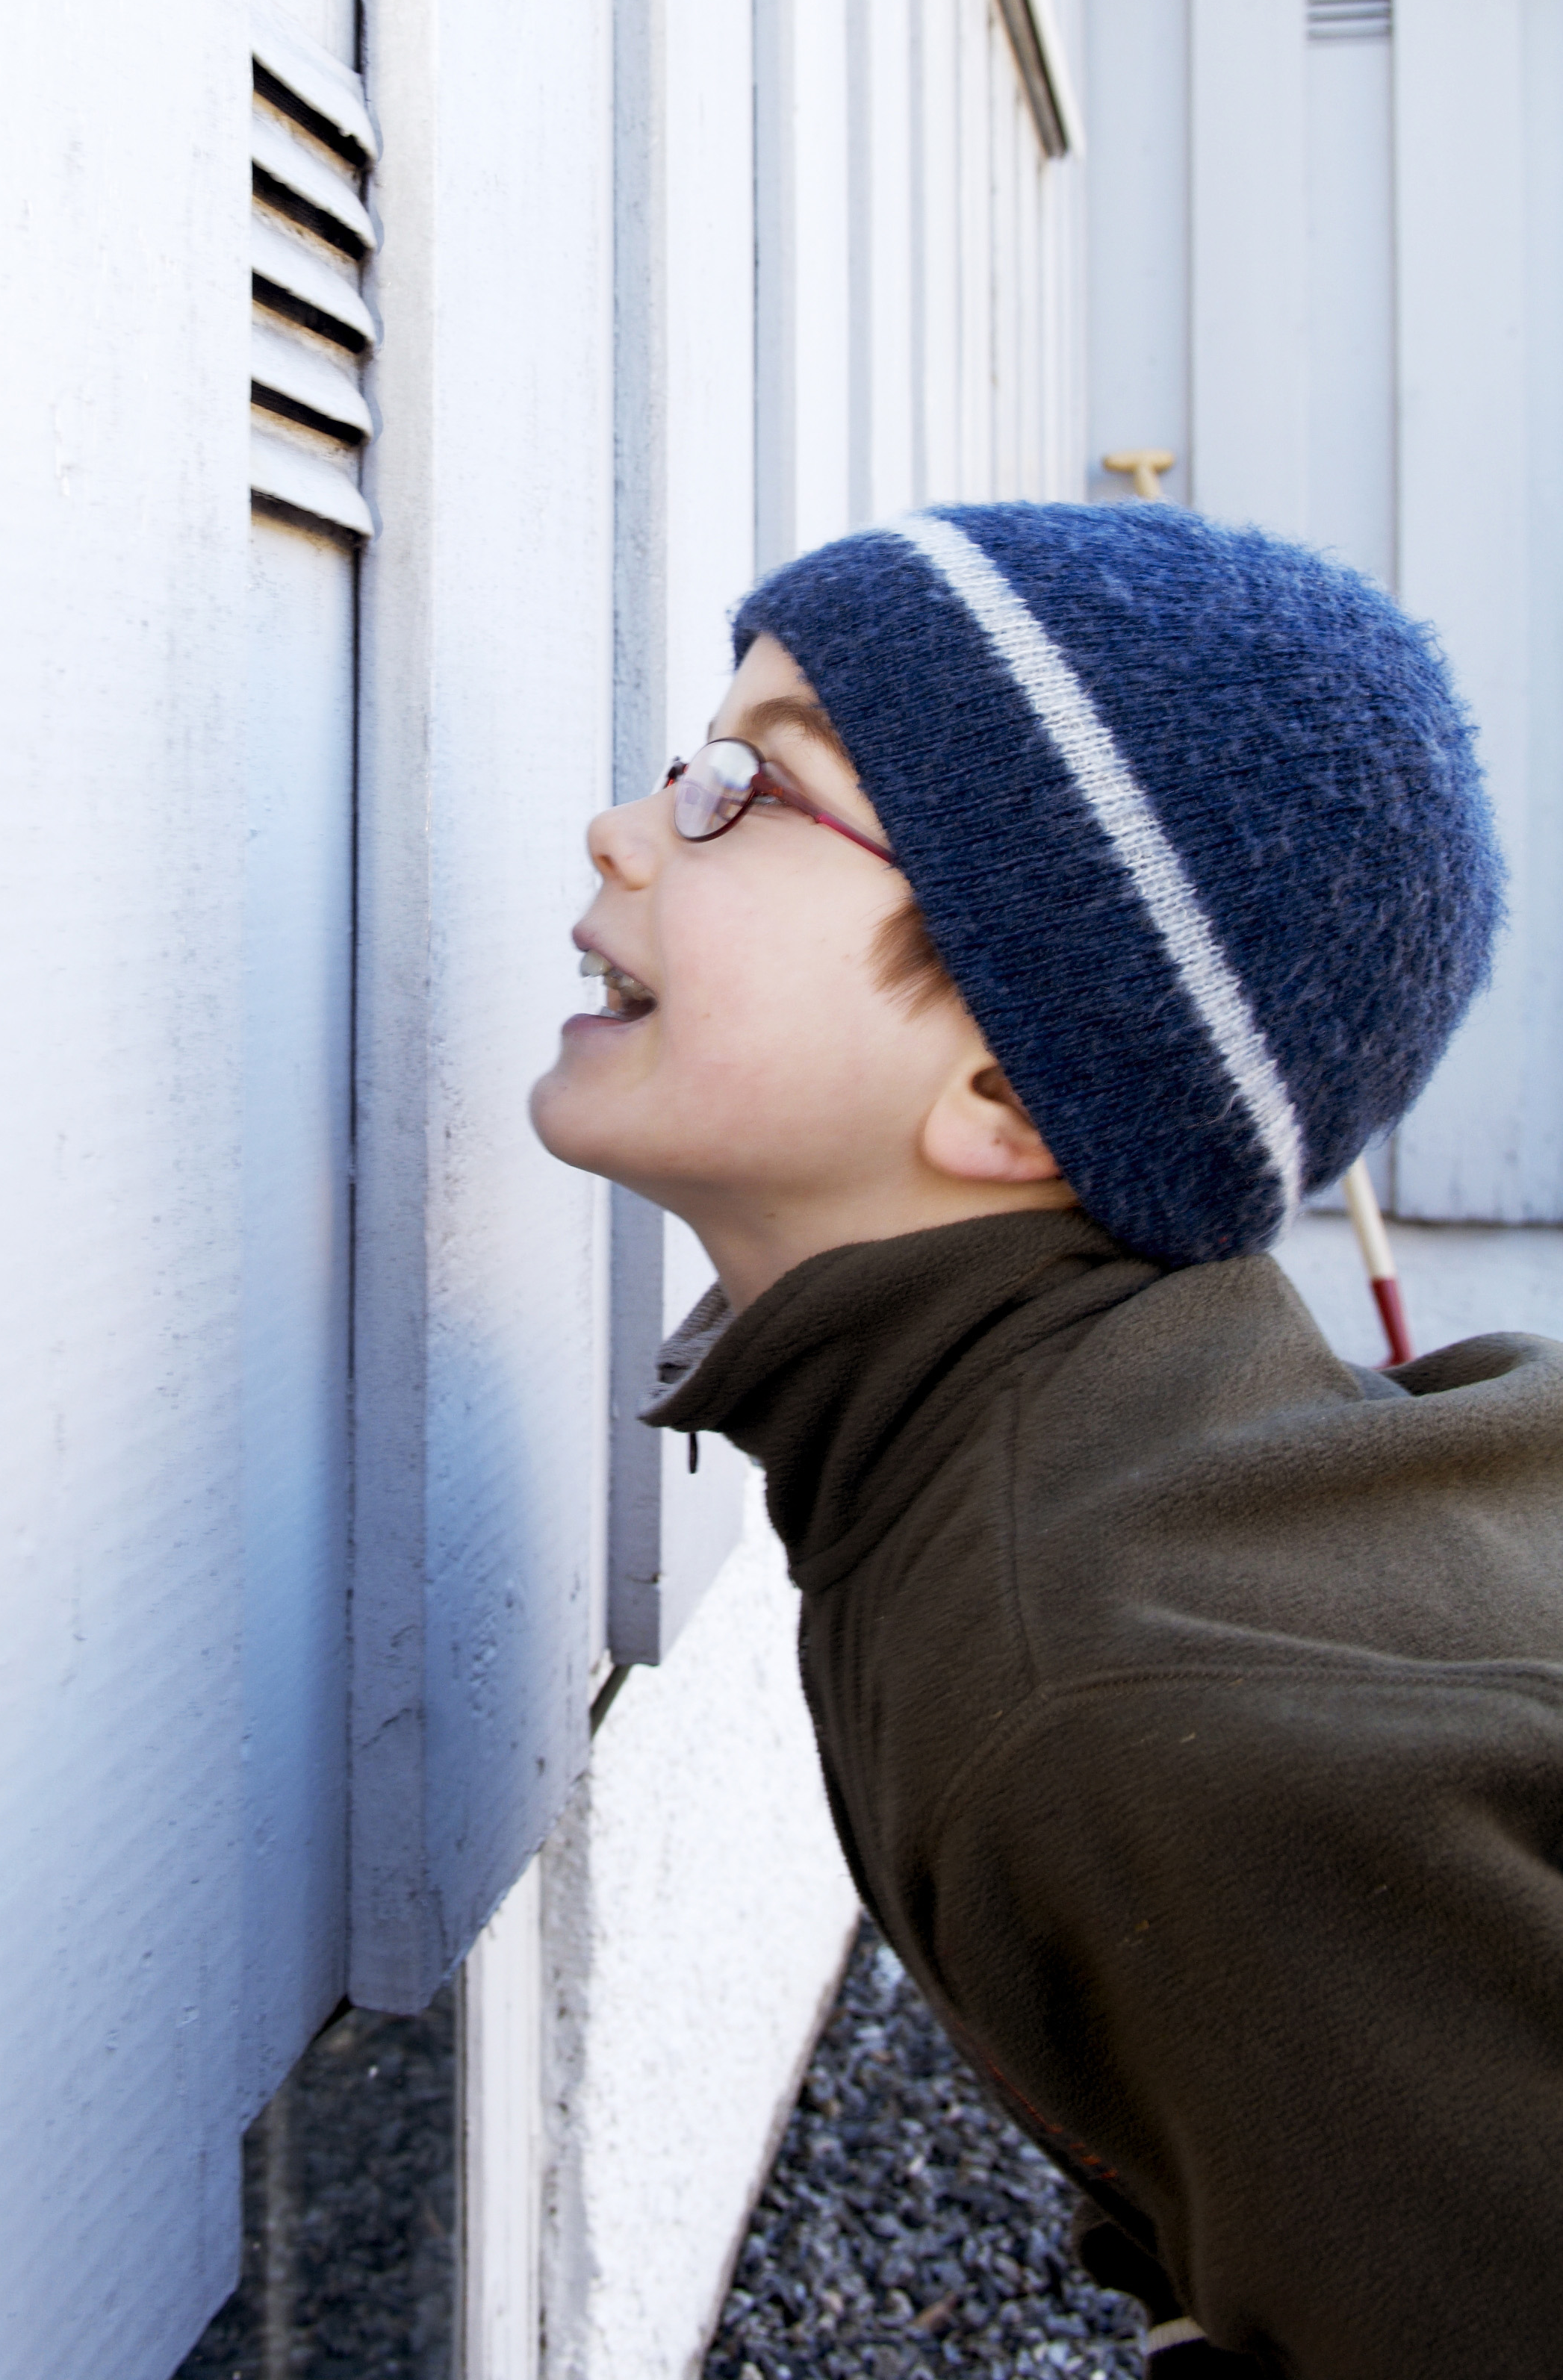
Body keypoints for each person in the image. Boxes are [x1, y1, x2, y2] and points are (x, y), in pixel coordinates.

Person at [530, 499, 1563, 2379]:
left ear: (1009, 1086)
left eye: (749, 790)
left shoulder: (1125, 1711)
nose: (625, 824)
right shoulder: (981, 1476)